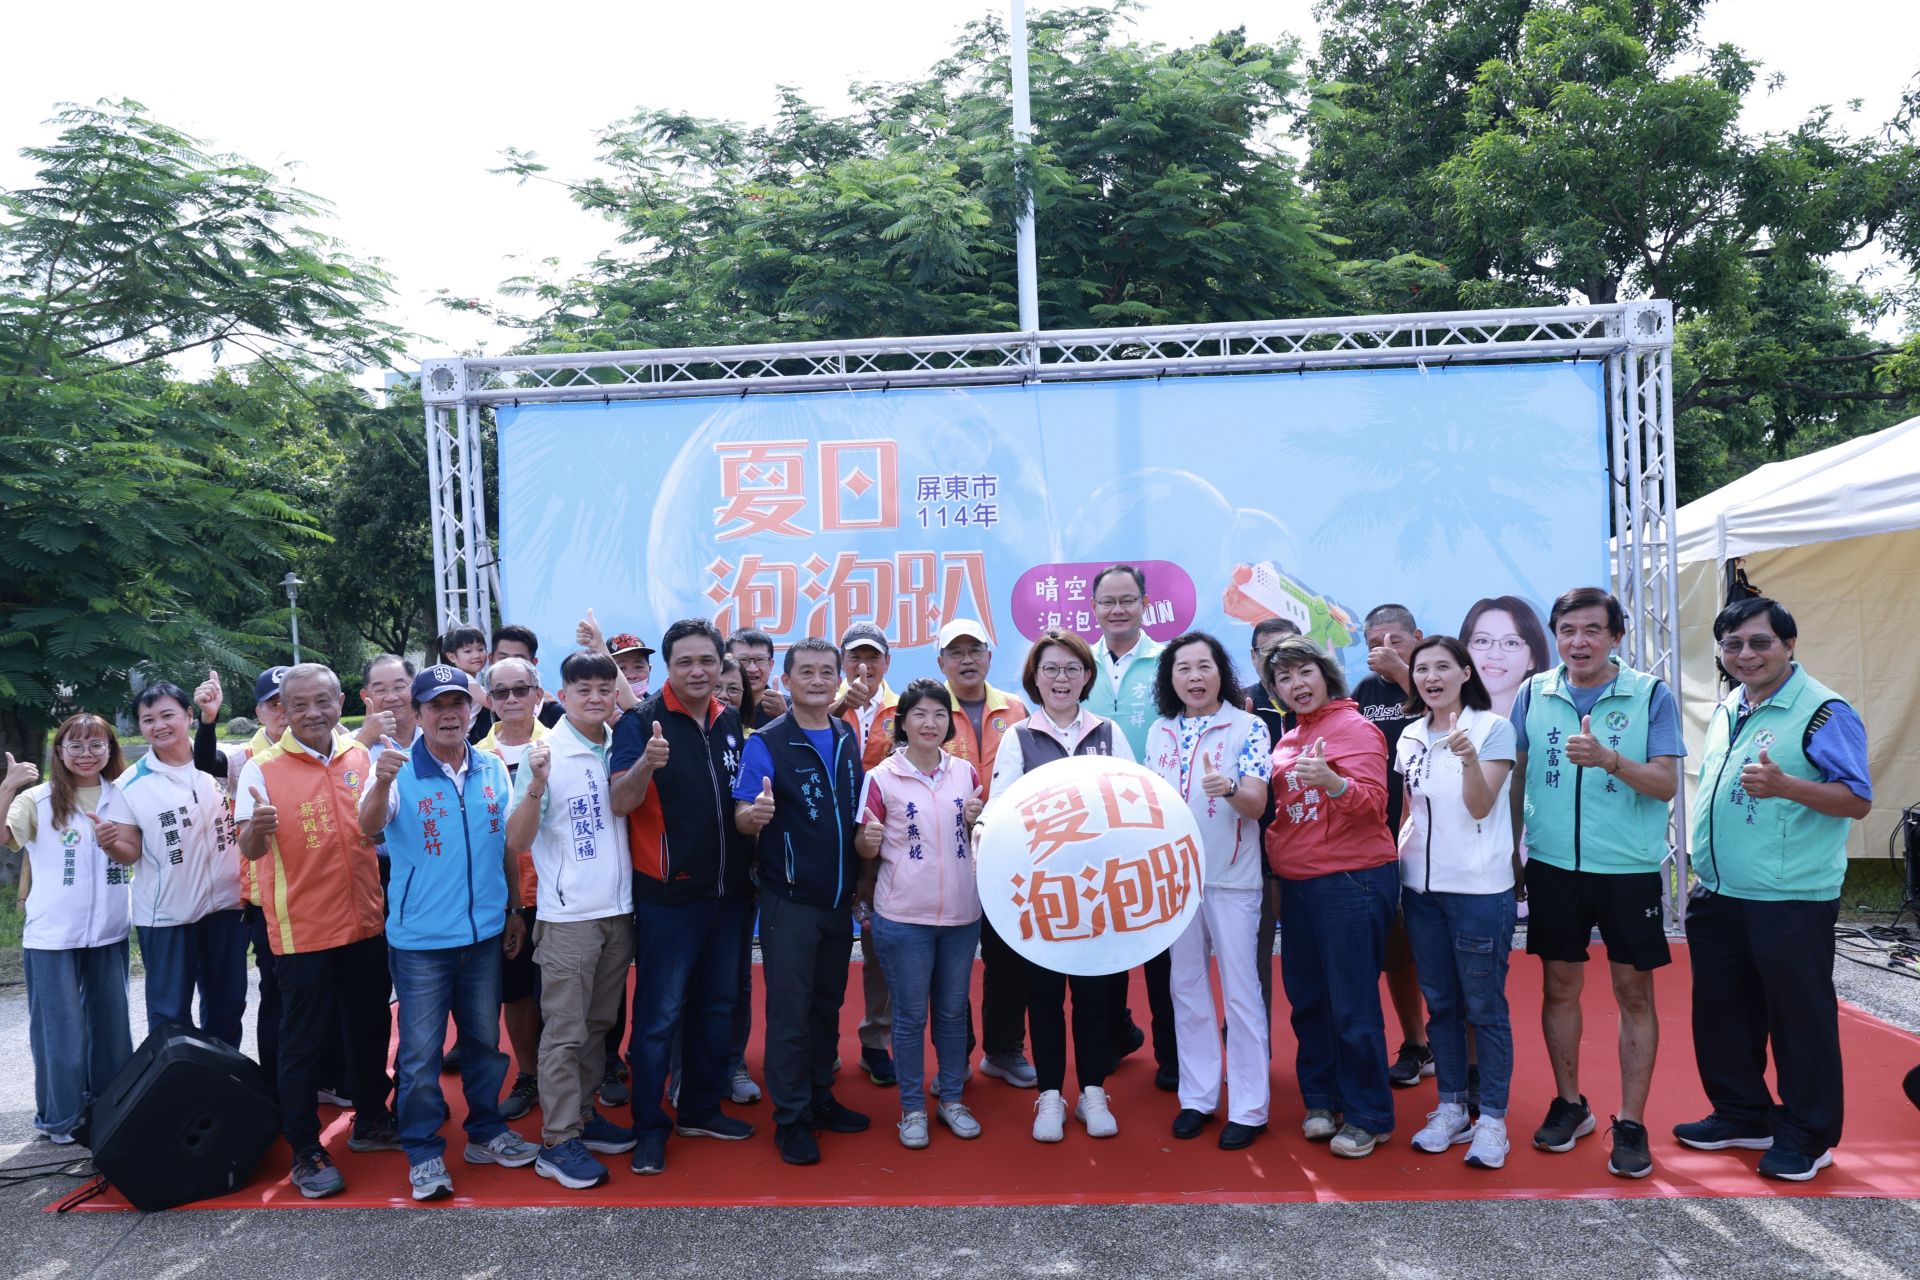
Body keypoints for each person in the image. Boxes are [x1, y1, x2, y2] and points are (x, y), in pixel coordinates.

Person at [1676, 597, 1872, 1182]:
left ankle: (1809, 1137)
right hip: (1720, 892)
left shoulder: (1823, 712)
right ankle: (1741, 1114)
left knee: (1798, 1021)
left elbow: (1857, 799)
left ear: (1789, 645)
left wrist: (1788, 786)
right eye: (1732, 644)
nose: (1746, 655)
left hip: (1789, 897)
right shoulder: (1730, 705)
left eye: (1760, 642)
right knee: (1723, 1014)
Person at [1511, 587, 1683, 1179]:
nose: (1578, 642)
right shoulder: (1534, 691)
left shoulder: (1650, 694)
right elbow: (1518, 775)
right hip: (1554, 866)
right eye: (1567, 630)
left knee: (1633, 994)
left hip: (1628, 869)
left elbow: (1665, 784)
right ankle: (1570, 1103)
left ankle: (1631, 1122)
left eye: (1592, 630)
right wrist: (1513, 851)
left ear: (1616, 636)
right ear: (1555, 636)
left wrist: (1610, 760)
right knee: (1559, 987)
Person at [360, 665, 540, 1199]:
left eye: (457, 703)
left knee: (484, 1043)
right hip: (421, 944)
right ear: (417, 714)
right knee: (420, 1056)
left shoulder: (491, 767)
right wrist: (382, 781)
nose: (448, 714)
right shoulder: (395, 769)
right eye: (435, 706)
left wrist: (513, 908)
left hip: (484, 936)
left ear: (472, 710)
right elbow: (368, 827)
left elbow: (505, 846)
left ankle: (485, 1132)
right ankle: (422, 1150)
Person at [234, 664, 399, 1199]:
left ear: (339, 702)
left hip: (365, 920)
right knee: (303, 1040)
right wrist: (257, 831)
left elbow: (376, 827)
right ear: (282, 710)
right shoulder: (260, 769)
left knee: (370, 1025)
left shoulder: (359, 756)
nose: (312, 713)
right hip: (301, 930)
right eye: (299, 704)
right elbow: (249, 848)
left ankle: (372, 1117)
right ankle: (305, 1146)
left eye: (322, 701)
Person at [612, 618, 757, 1176]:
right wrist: (646, 765)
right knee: (658, 1017)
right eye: (685, 662)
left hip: (728, 894)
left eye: (707, 661)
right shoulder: (641, 722)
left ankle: (699, 1108)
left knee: (717, 1005)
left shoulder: (729, 721)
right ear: (668, 668)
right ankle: (649, 1127)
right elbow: (620, 802)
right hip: (668, 899)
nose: (698, 672)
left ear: (721, 665)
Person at [987, 629, 1133, 1142]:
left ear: (1087, 676)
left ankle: (1093, 1090)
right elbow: (1001, 806)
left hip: (1097, 891)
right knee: (1044, 997)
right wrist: (983, 829)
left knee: (1095, 997)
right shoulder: (1019, 737)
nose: (1061, 678)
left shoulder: (1109, 733)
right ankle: (1050, 1094)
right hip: (1043, 893)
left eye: (1072, 668)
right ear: (1035, 677)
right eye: (1050, 668)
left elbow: (1135, 802)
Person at [732, 636, 870, 1165]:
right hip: (789, 900)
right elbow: (743, 814)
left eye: (825, 672)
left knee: (826, 1006)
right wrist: (754, 816)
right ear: (785, 681)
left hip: (838, 901)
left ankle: (819, 1098)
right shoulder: (767, 742)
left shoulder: (845, 734)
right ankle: (790, 1119)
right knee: (790, 1013)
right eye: (805, 672)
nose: (816, 680)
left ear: (838, 680)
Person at [505, 651, 637, 1190]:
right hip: (568, 918)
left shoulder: (621, 745)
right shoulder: (545, 753)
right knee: (563, 1030)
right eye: (583, 690)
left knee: (598, 1025)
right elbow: (517, 840)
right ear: (561, 695)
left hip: (618, 912)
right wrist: (536, 783)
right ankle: (557, 1141)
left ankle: (583, 1116)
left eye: (605, 688)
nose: (595, 698)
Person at [1264, 636, 1399, 1159]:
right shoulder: (1289, 738)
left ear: (1326, 675)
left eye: (1305, 672)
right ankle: (1322, 1100)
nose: (1296, 684)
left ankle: (1370, 1115)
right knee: (1309, 1001)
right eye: (1284, 678)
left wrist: (1334, 783)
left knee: (1352, 1004)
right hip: (1298, 885)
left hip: (1350, 881)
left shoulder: (1355, 728)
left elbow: (1374, 807)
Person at [1143, 632, 1272, 1150]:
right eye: (1183, 668)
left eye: (1204, 666)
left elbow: (1257, 804)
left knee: (1241, 993)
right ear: (1169, 678)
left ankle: (1249, 1107)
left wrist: (1230, 789)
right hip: (1177, 882)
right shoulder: (1159, 732)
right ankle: (1197, 1097)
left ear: (1222, 672)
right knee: (1186, 989)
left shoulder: (1249, 726)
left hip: (1232, 878)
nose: (1194, 677)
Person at [1394, 637, 1519, 1170]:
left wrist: (1468, 760)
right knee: (1441, 1004)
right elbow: (1412, 808)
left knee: (1484, 1007)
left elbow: (1480, 806)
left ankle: (1492, 1119)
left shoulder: (1493, 729)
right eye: (1422, 669)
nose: (1432, 677)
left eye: (1443, 666)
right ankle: (1451, 1107)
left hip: (1479, 891)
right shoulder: (1409, 735)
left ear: (1466, 672)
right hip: (1421, 892)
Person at [856, 680, 986, 1149]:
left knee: (951, 1014)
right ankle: (912, 1108)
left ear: (949, 723)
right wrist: (866, 842)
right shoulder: (881, 778)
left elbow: (980, 834)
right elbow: (863, 846)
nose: (930, 723)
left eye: (939, 714)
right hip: (902, 917)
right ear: (902, 723)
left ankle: (952, 1099)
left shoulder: (966, 773)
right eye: (920, 714)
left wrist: (975, 819)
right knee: (909, 1018)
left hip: (961, 916)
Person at [4, 716, 138, 1145]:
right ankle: (60, 1118)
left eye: (96, 745)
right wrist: (7, 787)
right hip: (52, 937)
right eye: (75, 746)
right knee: (59, 1033)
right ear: (59, 752)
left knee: (112, 1030)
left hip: (110, 931)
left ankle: (111, 1111)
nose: (86, 754)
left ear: (110, 749)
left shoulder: (125, 794)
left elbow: (137, 851)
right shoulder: (37, 799)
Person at [1081, 565, 1174, 1091]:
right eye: (1108, 601)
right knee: (1103, 942)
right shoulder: (1078, 662)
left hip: (1156, 824)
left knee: (1161, 948)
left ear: (1144, 604)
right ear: (1094, 607)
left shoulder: (1169, 661)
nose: (1118, 610)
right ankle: (1115, 1035)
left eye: (1128, 600)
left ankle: (1171, 1054)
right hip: (1092, 828)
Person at [114, 683, 248, 1049]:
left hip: (228, 904)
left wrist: (212, 717)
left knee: (227, 1005)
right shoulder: (130, 785)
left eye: (167, 715)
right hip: (167, 915)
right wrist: (111, 843)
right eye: (148, 720)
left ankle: (223, 1077)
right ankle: (178, 1082)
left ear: (189, 716)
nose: (159, 725)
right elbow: (128, 851)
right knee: (170, 1013)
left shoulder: (227, 761)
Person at [936, 618, 1035, 1089]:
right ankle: (954, 1057)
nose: (967, 660)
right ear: (941, 663)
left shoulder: (1015, 708)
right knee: (950, 963)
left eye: (975, 650)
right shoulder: (929, 707)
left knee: (1008, 958)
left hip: (1006, 852)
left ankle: (1004, 1049)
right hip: (946, 852)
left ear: (990, 657)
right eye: (956, 652)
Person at [1353, 605, 1436, 1091]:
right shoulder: (1363, 692)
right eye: (1373, 644)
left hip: (1433, 840)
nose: (1382, 651)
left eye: (1394, 641)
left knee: (1440, 949)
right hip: (1378, 843)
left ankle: (1455, 1047)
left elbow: (1450, 721)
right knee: (1396, 949)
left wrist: (1406, 673)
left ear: (1417, 637)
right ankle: (1416, 1042)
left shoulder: (1437, 680)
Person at [476, 656, 551, 1123]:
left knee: (568, 993)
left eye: (520, 689)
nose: (511, 699)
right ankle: (529, 1075)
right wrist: (511, 906)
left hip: (562, 894)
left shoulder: (563, 745)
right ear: (489, 700)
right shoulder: (476, 757)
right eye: (500, 692)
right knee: (517, 993)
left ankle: (588, 1072)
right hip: (507, 897)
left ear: (538, 694)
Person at [830, 622, 901, 1088]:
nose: (864, 666)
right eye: (855, 656)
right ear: (842, 662)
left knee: (880, 948)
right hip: (828, 841)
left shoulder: (905, 707)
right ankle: (822, 1043)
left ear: (887, 663)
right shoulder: (821, 700)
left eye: (873, 657)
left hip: (884, 844)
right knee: (826, 948)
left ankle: (876, 1041)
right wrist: (840, 706)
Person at [1458, 596, 1550, 720]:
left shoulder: (1553, 724)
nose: (1495, 655)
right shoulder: (1440, 721)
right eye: (1482, 641)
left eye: (1511, 643)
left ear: (1532, 659)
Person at [728, 627, 787, 735]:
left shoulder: (790, 707)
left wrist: (784, 717)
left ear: (771, 665)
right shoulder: (717, 704)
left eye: (760, 660)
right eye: (743, 660)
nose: (752, 669)